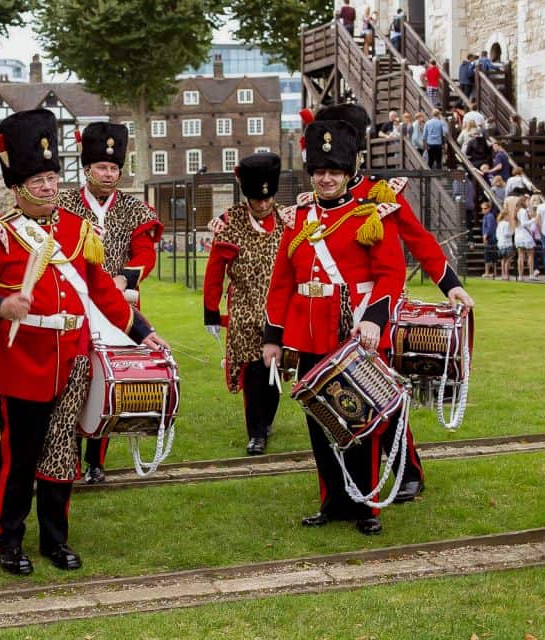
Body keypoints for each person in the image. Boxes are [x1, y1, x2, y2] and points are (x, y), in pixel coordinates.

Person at [0, 109, 166, 576]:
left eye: (53, 178)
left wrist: (143, 333)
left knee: (60, 454)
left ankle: (55, 539)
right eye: (39, 180)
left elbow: (104, 293)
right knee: (19, 457)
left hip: (71, 359)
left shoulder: (76, 229)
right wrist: (3, 305)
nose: (49, 187)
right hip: (22, 362)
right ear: (17, 186)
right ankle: (7, 539)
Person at [312, 103, 475, 503]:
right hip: (327, 313)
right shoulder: (315, 198)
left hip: (375, 310)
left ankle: (406, 469)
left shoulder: (379, 194)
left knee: (379, 395)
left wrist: (449, 283)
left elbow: (418, 240)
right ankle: (347, 485)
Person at [262, 120, 406, 535]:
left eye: (335, 172)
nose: (326, 179)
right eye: (320, 172)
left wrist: (374, 319)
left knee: (360, 422)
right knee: (321, 421)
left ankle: (366, 508)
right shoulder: (298, 219)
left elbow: (391, 274)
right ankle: (332, 501)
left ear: (347, 174)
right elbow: (281, 283)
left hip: (353, 333)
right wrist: (273, 339)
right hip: (308, 334)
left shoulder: (369, 217)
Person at [56, 122, 163, 484]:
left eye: (114, 168)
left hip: (118, 304)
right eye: (102, 167)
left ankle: (96, 458)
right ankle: (64, 453)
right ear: (87, 169)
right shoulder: (65, 204)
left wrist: (123, 279)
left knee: (108, 378)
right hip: (73, 303)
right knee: (74, 378)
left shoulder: (134, 208)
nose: (109, 174)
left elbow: (145, 252)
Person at [203, 154, 284, 456]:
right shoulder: (229, 222)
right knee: (251, 372)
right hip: (244, 309)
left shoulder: (288, 220)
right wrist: (211, 311)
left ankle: (267, 422)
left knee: (274, 372)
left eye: (267, 198)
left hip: (278, 310)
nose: (263, 205)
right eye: (256, 199)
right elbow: (214, 271)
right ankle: (256, 433)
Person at [513, 192, 537, 279]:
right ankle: (531, 274)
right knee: (530, 255)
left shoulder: (518, 211)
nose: (528, 202)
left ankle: (520, 275)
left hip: (518, 235)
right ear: (523, 202)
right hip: (525, 235)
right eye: (527, 201)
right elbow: (524, 224)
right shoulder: (523, 211)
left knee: (521, 255)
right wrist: (533, 219)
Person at [496, 202, 515, 279]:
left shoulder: (499, 224)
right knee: (508, 260)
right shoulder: (506, 224)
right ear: (505, 216)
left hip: (500, 244)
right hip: (507, 244)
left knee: (503, 260)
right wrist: (512, 232)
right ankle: (506, 274)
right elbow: (507, 234)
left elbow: (497, 235)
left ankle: (502, 274)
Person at [481, 199, 497, 278]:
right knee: (490, 255)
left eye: (485, 208)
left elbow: (490, 227)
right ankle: (492, 272)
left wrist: (485, 235)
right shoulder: (485, 216)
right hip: (489, 238)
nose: (483, 210)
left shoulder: (490, 216)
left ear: (489, 208)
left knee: (489, 256)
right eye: (482, 208)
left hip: (490, 239)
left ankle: (488, 272)